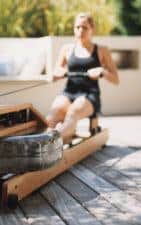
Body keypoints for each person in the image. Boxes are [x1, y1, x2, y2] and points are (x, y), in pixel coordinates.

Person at [46, 12, 119, 143]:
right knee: (53, 113)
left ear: (92, 29)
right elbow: (55, 72)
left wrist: (102, 71)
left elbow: (116, 79)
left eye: (84, 28)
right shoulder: (67, 49)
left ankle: (51, 141)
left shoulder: (101, 50)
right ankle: (51, 138)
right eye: (77, 27)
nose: (80, 30)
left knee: (73, 112)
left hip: (90, 95)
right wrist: (59, 73)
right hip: (69, 93)